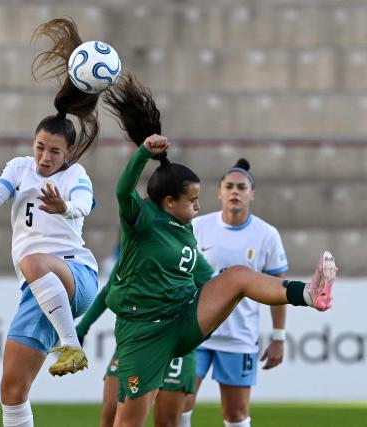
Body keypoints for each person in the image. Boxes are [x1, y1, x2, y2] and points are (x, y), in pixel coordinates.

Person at [102, 74, 336, 427]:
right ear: (168, 202)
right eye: (192, 200)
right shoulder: (143, 221)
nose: (198, 206)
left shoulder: (186, 229)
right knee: (129, 422)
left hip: (181, 318)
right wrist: (140, 155)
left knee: (238, 276)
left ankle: (309, 291)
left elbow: (206, 277)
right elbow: (122, 192)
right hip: (144, 332)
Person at [0, 17, 101, 427]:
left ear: (68, 153)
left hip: (75, 276)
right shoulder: (19, 168)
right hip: (39, 288)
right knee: (11, 390)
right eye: (40, 147)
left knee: (33, 258)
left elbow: (84, 206)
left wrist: (63, 207)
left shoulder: (74, 177)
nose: (45, 157)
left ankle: (71, 344)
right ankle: (68, 345)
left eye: (54, 152)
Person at [181, 159, 289, 427]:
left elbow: (278, 289)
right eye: (229, 186)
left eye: (241, 187)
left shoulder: (266, 235)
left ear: (251, 194)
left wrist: (278, 337)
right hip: (196, 333)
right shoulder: (197, 227)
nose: (235, 192)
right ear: (219, 192)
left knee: (236, 415)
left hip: (239, 337)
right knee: (179, 405)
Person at [76, 254, 213, 427]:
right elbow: (108, 291)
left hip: (173, 345)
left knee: (166, 422)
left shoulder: (182, 249)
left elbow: (213, 287)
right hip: (134, 340)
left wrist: (196, 330)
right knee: (111, 412)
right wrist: (81, 330)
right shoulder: (133, 247)